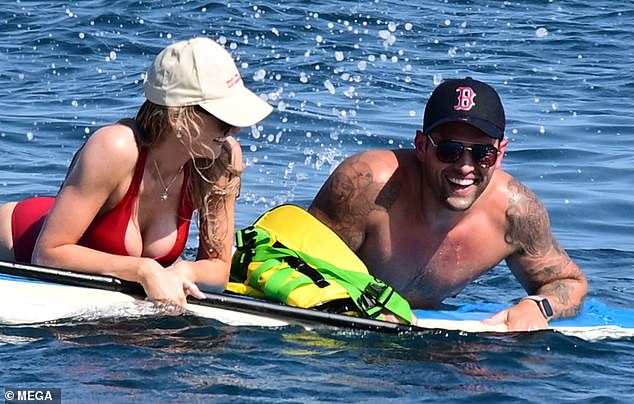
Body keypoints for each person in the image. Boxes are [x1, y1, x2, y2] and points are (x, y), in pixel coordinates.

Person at [0, 37, 273, 307]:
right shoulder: (115, 148)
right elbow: (47, 254)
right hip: (16, 248)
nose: (235, 131)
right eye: (224, 121)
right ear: (178, 116)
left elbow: (218, 270)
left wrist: (184, 271)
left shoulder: (221, 159)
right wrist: (143, 270)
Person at [309, 77, 588, 331]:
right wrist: (355, 305)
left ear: (500, 154)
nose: (465, 167)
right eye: (450, 150)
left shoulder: (516, 212)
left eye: (483, 154)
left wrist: (538, 306)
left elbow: (570, 283)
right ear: (421, 146)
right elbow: (295, 263)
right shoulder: (367, 185)